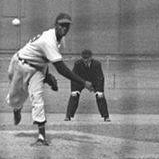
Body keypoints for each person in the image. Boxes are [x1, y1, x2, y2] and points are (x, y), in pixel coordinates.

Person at [6, 13, 94, 146]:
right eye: (61, 25)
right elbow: (61, 69)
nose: (64, 28)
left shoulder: (60, 39)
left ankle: (41, 136)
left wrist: (46, 76)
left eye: (67, 25)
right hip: (20, 64)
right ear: (55, 25)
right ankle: (17, 108)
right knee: (14, 99)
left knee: (38, 98)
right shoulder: (49, 39)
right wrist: (83, 82)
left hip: (38, 69)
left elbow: (44, 58)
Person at [64, 49, 110, 122]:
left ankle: (106, 116)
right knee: (74, 95)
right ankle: (68, 116)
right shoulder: (77, 64)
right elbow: (73, 77)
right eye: (84, 58)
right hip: (81, 81)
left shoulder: (97, 64)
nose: (85, 60)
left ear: (91, 57)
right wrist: (73, 90)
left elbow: (100, 77)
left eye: (87, 58)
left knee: (100, 96)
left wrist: (100, 90)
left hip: (94, 82)